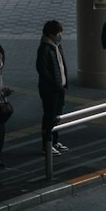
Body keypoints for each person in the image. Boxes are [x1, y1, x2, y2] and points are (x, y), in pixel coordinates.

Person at [36, 19, 69, 157]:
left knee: (56, 117)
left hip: (59, 88)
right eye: (58, 32)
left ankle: (54, 141)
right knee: (49, 116)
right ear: (51, 34)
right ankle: (47, 145)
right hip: (50, 90)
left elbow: (62, 66)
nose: (60, 35)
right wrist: (56, 85)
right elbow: (43, 71)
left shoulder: (56, 46)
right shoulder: (45, 48)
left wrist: (64, 84)